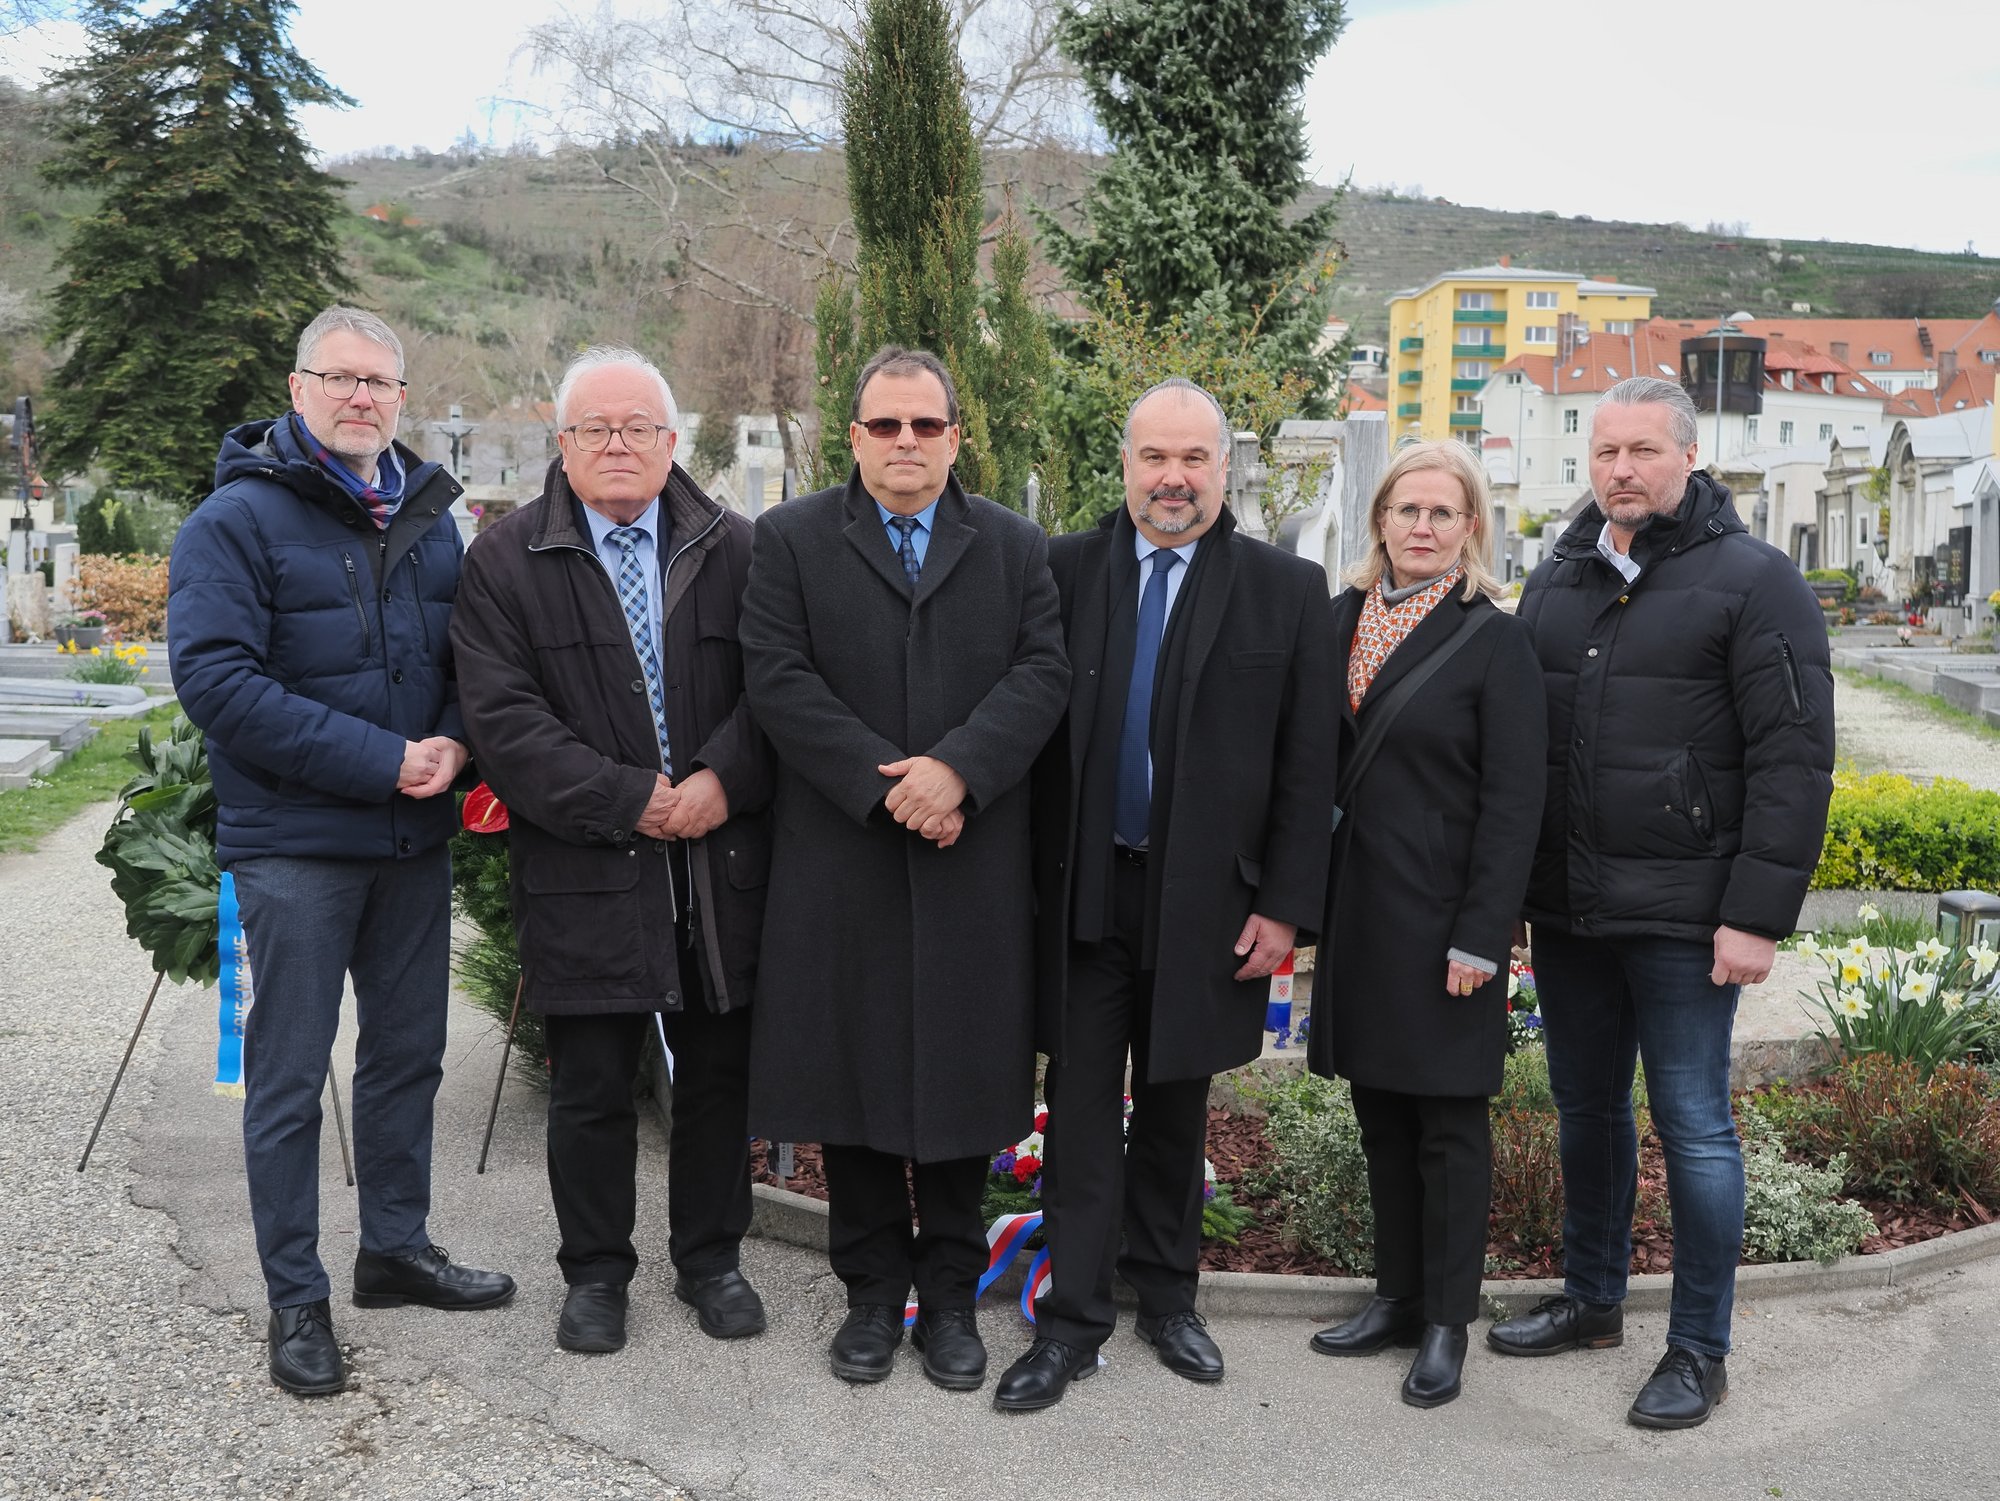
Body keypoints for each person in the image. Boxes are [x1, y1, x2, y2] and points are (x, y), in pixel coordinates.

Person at [169, 306, 514, 1398]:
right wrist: (384, 759)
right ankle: (296, 1297)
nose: (363, 396)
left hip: (412, 841)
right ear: (298, 384)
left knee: (407, 1055)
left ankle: (394, 1250)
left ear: (403, 399)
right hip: (295, 846)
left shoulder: (427, 514)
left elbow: (467, 654)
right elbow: (218, 684)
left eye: (382, 382)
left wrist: (454, 740)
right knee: (284, 1075)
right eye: (342, 377)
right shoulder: (234, 521)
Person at [1488, 376, 1834, 1429]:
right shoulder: (1556, 577)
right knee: (1585, 1111)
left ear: (1686, 456)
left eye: (1641, 450)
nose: (1620, 470)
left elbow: (1791, 754)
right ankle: (1592, 1301)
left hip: (1689, 916)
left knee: (1692, 1127)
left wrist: (1754, 914)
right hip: (1570, 909)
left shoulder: (1753, 581)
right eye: (1604, 453)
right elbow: (1518, 750)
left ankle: (1696, 1348)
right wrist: (1508, 892)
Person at [997, 378, 1339, 1413]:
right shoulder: (1057, 571)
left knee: (1178, 1107)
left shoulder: (1284, 589)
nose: (1173, 478)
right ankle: (1072, 1325)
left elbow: (1305, 766)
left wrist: (1283, 907)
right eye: (1155, 457)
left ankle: (1170, 1300)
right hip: (1085, 894)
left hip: (1208, 903)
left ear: (1223, 468)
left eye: (1193, 459)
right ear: (1125, 463)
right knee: (1082, 1110)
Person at [739, 345, 1070, 1391]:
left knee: (964, 1091)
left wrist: (957, 772)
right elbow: (776, 676)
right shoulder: (790, 541)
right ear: (853, 438)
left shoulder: (1016, 547)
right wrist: (890, 786)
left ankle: (952, 1301)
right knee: (861, 1084)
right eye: (884, 427)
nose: (905, 445)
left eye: (925, 427)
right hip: (847, 862)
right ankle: (872, 1300)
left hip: (968, 863)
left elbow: (1041, 670)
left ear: (954, 437)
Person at [451, 347, 773, 1356]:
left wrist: (721, 780)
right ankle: (595, 1273)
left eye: (638, 428)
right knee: (591, 1084)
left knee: (719, 1077)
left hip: (719, 867)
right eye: (595, 429)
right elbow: (504, 722)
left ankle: (711, 1258)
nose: (618, 445)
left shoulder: (740, 551)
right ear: (563, 443)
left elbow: (781, 689)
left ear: (674, 442)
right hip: (590, 864)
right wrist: (631, 798)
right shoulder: (504, 562)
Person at [1302, 440, 1545, 1409]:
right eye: (1406, 510)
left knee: (1446, 1125)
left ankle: (1447, 1318)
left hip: (1447, 923)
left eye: (1441, 514)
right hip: (1357, 914)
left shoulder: (1494, 638)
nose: (1421, 527)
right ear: (1379, 520)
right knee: (1379, 1117)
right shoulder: (1332, 623)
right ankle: (1396, 1297)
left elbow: (1513, 802)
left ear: (1469, 528)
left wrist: (1483, 935)